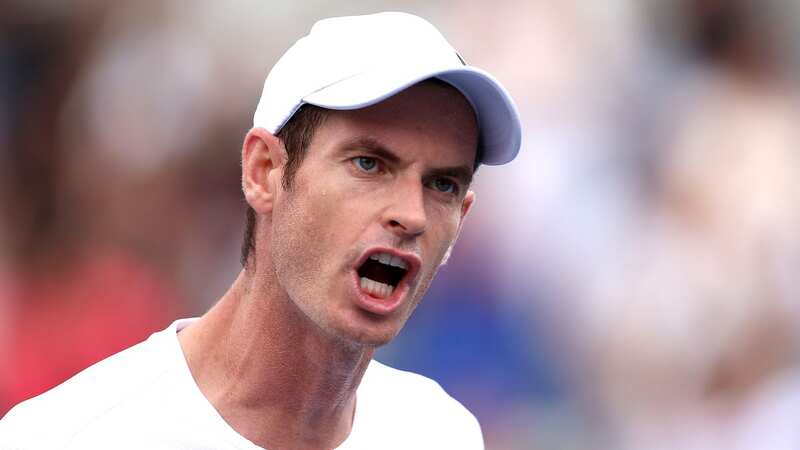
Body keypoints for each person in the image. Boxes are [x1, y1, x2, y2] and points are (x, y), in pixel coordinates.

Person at [0, 11, 521, 449]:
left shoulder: (439, 432)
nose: (412, 214)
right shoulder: (69, 436)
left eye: (443, 185)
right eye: (368, 164)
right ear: (264, 172)